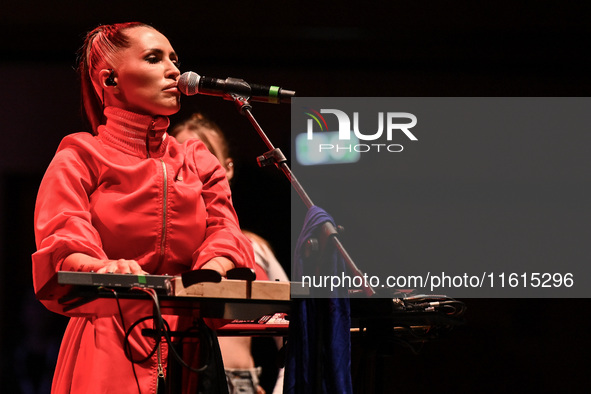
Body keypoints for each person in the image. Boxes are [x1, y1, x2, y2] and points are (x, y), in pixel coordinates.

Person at [32, 22, 255, 394]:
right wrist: (102, 267)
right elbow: (63, 238)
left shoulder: (198, 160)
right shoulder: (80, 155)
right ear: (110, 80)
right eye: (154, 59)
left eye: (174, 59)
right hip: (109, 338)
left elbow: (226, 231)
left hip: (191, 342)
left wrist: (216, 265)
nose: (175, 71)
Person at [171, 114, 289, 394]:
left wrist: (282, 387)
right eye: (182, 159)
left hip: (239, 383)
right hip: (176, 376)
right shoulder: (163, 249)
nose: (194, 167)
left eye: (204, 156)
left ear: (227, 168)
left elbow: (292, 326)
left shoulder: (253, 248)